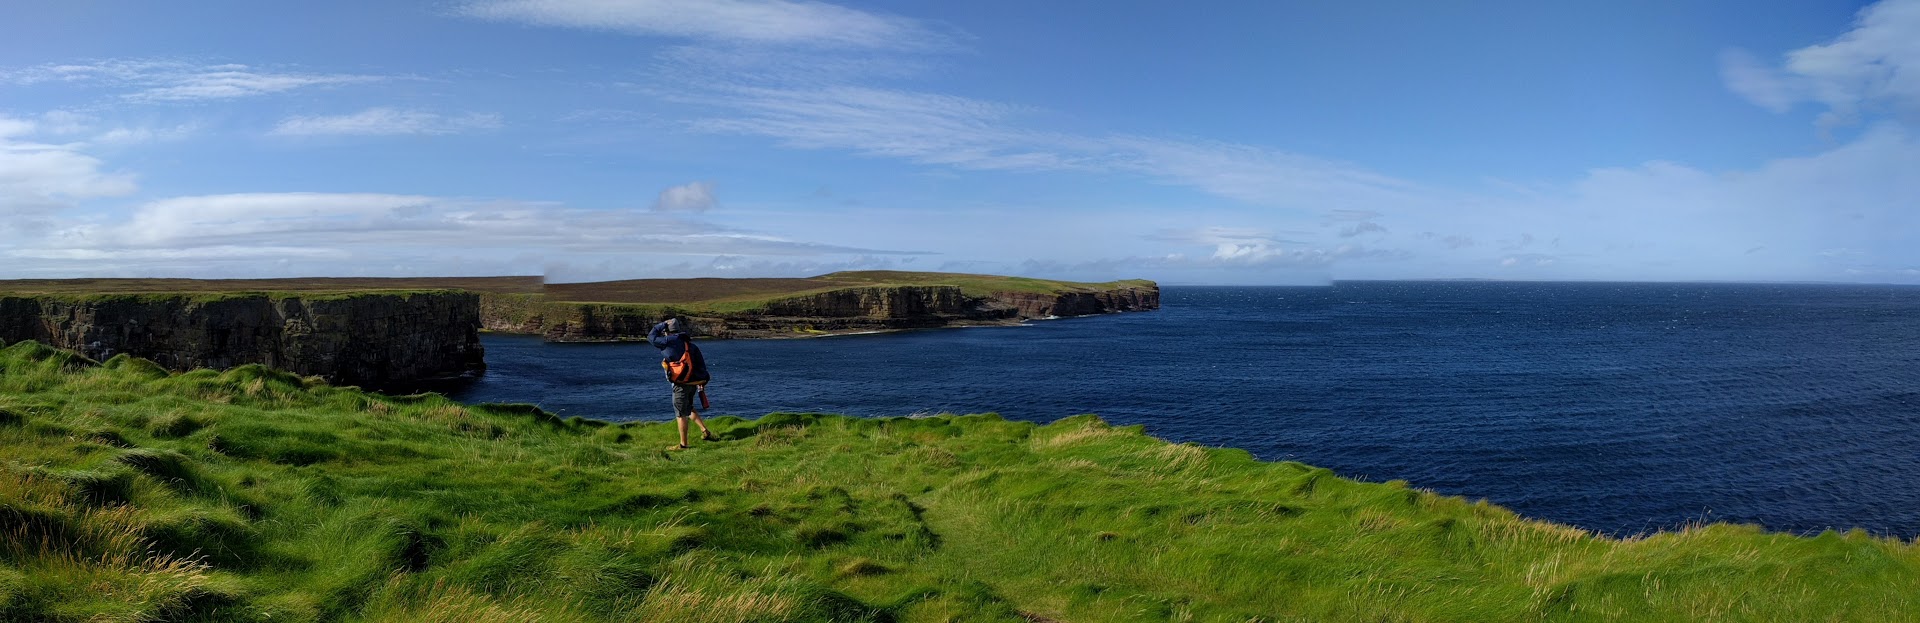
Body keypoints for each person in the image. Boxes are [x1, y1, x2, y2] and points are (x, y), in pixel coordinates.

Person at [648, 317, 716, 449]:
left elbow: (651, 337)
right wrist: (703, 381)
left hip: (681, 384)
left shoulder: (668, 341)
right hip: (693, 383)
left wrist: (661, 325)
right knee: (689, 408)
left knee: (680, 413)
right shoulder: (689, 344)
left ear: (667, 331)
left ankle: (683, 445)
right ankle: (704, 431)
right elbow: (701, 365)